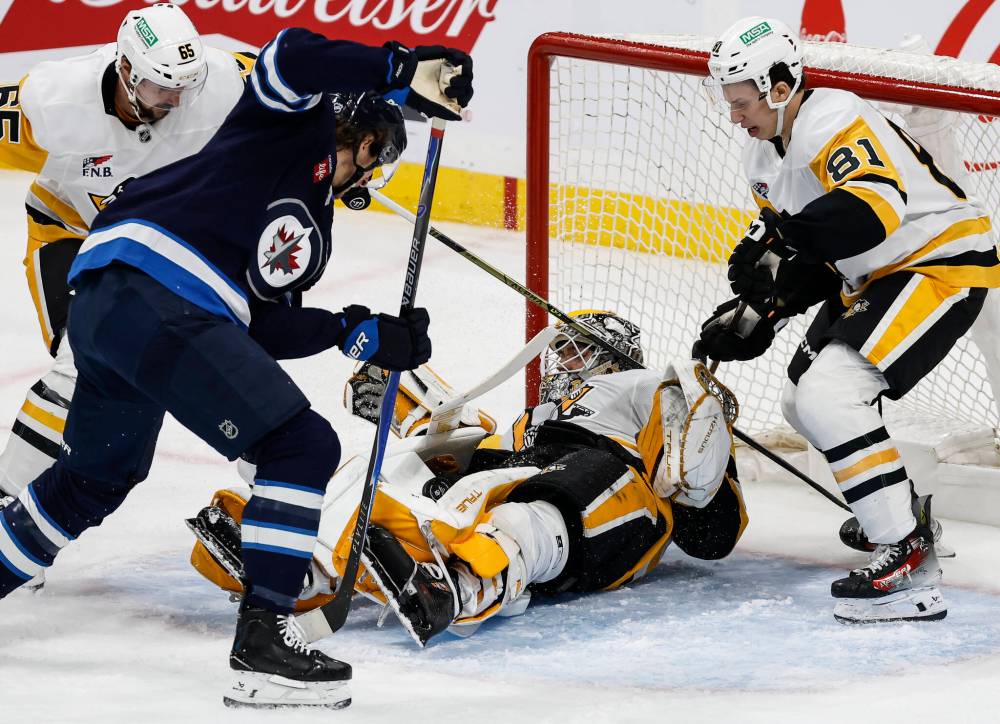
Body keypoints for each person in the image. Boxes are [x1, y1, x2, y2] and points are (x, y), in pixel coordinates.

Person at [0, 24, 474, 709]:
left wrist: (357, 331)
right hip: (151, 289)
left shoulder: (309, 233)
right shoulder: (292, 118)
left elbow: (263, 323)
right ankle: (263, 647)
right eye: (375, 158)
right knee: (302, 445)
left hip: (110, 304)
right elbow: (290, 53)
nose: (370, 175)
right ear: (367, 141)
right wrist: (399, 68)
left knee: (96, 479)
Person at [187, 311, 749, 646]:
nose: (564, 361)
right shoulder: (536, 420)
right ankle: (300, 562)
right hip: (541, 472)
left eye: (580, 350)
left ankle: (472, 580)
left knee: (570, 482)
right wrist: (405, 406)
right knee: (424, 471)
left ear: (615, 357)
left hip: (619, 503)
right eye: (563, 350)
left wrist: (702, 436)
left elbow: (712, 530)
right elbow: (467, 441)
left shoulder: (643, 386)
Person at [695, 16, 999, 624]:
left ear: (781, 87)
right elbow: (812, 255)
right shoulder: (761, 153)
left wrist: (782, 239)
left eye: (743, 101)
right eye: (728, 103)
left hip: (940, 260)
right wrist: (766, 309)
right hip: (874, 274)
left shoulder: (834, 118)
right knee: (799, 403)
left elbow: (871, 211)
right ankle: (905, 518)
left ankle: (908, 565)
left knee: (833, 395)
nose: (734, 115)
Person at [0, 3, 257, 594]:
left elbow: (300, 90)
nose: (172, 101)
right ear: (124, 66)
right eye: (158, 86)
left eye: (182, 88)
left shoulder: (219, 79)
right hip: (75, 234)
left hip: (170, 247)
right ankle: (9, 507)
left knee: (231, 362)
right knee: (79, 365)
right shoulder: (55, 100)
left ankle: (281, 489)